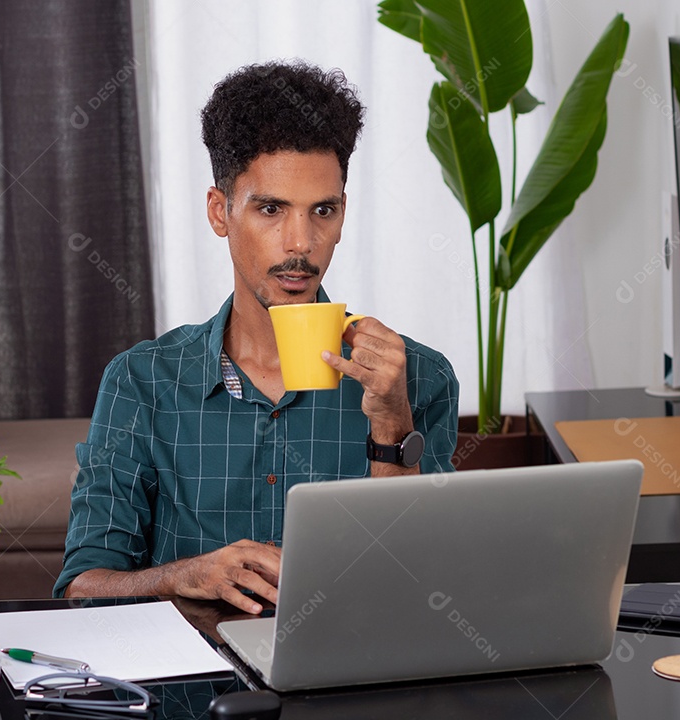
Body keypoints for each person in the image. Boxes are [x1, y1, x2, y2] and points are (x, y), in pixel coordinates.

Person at [53, 61, 459, 613]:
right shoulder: (141, 382)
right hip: (196, 691)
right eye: (271, 209)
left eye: (323, 210)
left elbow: (426, 590)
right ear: (221, 212)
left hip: (352, 682)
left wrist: (391, 427)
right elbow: (83, 585)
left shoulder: (417, 377)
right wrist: (183, 576)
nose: (300, 243)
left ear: (343, 215)